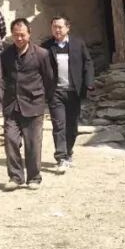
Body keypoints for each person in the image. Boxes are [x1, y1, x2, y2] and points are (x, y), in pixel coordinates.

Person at [0, 18, 54, 191]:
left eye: (22, 35)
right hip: (12, 105)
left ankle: (34, 177)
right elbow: (3, 78)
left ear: (29, 34)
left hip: (33, 104)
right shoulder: (5, 55)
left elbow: (49, 79)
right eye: (16, 35)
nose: (19, 38)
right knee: (10, 140)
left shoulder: (41, 54)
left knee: (33, 144)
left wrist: (44, 100)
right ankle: (15, 177)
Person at [41, 16, 95, 172]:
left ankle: (69, 151)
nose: (57, 30)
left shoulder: (78, 44)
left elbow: (88, 63)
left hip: (74, 92)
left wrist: (89, 82)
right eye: (54, 27)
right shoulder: (46, 47)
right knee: (59, 125)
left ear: (67, 28)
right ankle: (61, 157)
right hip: (55, 92)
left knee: (72, 126)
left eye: (60, 27)